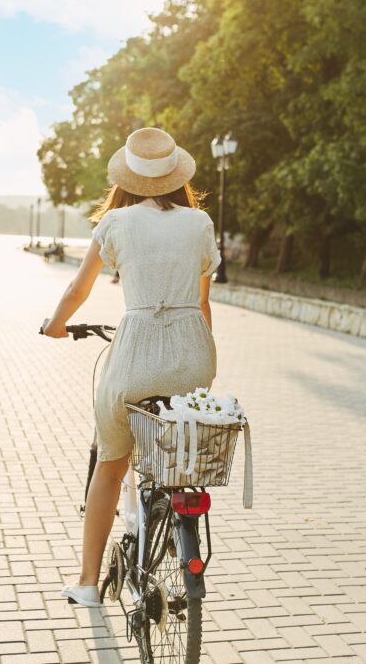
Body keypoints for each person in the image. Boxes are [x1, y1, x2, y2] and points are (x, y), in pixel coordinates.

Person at [41, 127, 222, 607]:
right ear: (174, 174)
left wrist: (56, 325)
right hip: (194, 359)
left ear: (129, 178)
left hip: (136, 353)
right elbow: (204, 306)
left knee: (111, 463)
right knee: (174, 452)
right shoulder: (199, 223)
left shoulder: (116, 222)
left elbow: (78, 290)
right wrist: (200, 357)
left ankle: (86, 581)